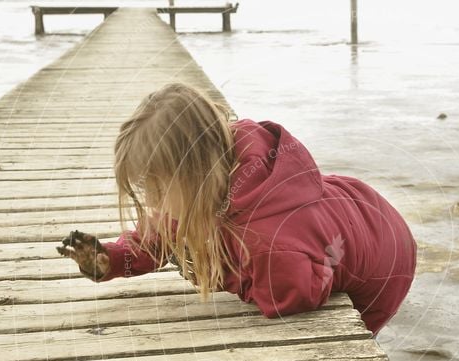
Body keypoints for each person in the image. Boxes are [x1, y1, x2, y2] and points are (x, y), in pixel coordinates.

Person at [57, 82, 416, 337]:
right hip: (352, 208)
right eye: (145, 189)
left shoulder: (270, 243)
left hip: (383, 260)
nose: (152, 200)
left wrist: (217, 270)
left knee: (352, 348)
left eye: (158, 187)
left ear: (196, 172)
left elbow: (295, 298)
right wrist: (113, 258)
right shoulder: (209, 179)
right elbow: (162, 233)